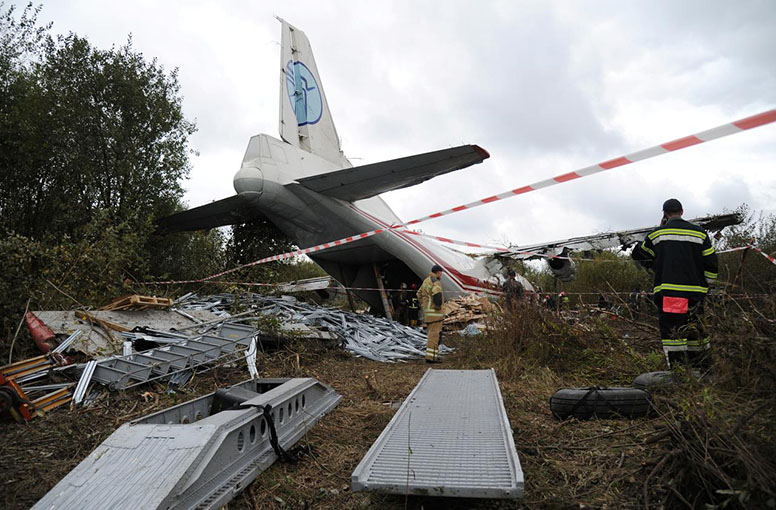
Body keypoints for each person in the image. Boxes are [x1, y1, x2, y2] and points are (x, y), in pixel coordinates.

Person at [632, 198, 718, 369]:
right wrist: (707, 286)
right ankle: (702, 369)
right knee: (696, 328)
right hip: (696, 296)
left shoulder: (657, 234)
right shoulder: (700, 234)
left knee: (674, 332)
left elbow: (639, 254)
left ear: (665, 214)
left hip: (672, 294)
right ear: (682, 211)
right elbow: (712, 264)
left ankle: (679, 372)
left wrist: (656, 261)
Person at [417, 264, 445, 363]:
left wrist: (425, 305)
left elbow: (419, 294)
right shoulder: (436, 282)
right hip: (435, 314)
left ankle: (433, 356)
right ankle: (431, 358)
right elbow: (437, 296)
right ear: (439, 272)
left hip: (428, 313)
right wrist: (438, 307)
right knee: (434, 336)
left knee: (432, 335)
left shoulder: (426, 281)